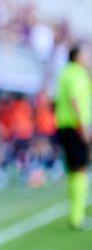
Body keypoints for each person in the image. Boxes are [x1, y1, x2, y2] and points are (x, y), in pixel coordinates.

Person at [54, 45, 91, 230]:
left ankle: (76, 214)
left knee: (74, 170)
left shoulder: (64, 73)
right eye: (86, 54)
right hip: (75, 127)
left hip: (64, 126)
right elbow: (75, 100)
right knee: (80, 170)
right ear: (77, 56)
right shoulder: (77, 74)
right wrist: (83, 127)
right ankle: (77, 217)